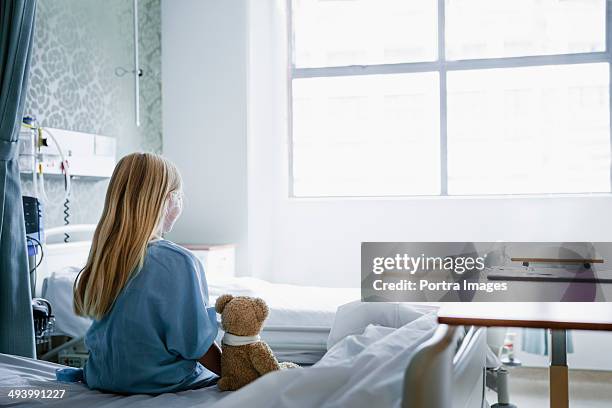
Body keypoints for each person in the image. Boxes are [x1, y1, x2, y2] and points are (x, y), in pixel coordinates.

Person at [73, 152, 221, 394]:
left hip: (102, 379)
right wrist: (237, 376)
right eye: (179, 196)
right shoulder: (178, 261)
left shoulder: (104, 256)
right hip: (164, 383)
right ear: (169, 200)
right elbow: (196, 344)